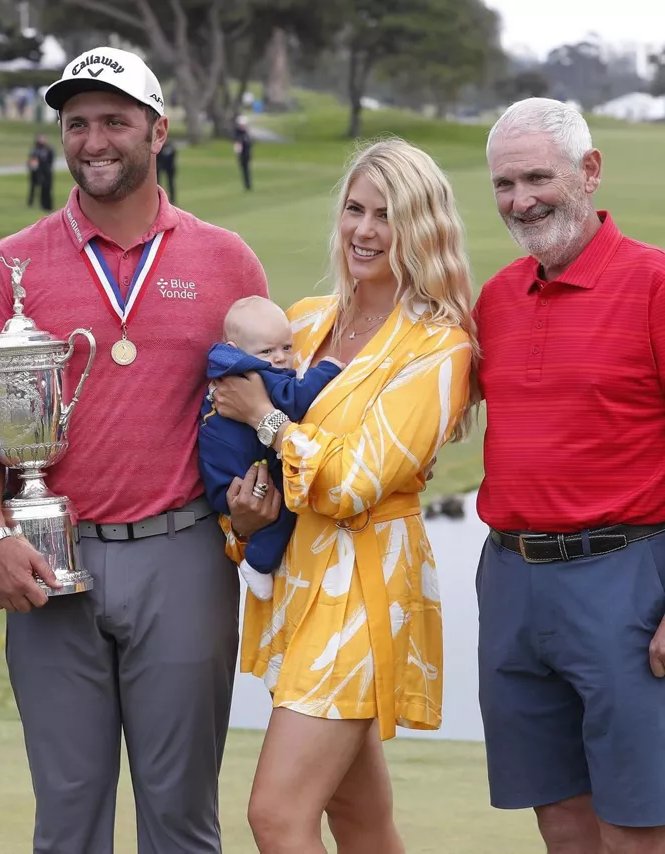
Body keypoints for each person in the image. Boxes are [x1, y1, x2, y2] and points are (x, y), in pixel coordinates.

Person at [0, 46, 269, 854]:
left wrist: (261, 497)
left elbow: (264, 395)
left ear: (157, 132)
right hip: (50, 556)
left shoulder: (225, 258)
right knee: (67, 820)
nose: (93, 140)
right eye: (77, 123)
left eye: (115, 122)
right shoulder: (14, 262)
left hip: (184, 552)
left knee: (182, 819)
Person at [473, 98, 665, 854]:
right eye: (504, 184)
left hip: (626, 580)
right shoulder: (497, 297)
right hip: (512, 581)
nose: (521, 201)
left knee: (632, 826)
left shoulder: (661, 285)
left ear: (589, 171)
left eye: (538, 177)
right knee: (559, 817)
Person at [212, 137, 476, 853]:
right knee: (359, 818)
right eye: (355, 209)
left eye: (386, 215)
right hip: (296, 582)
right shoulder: (300, 323)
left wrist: (266, 418)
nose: (364, 229)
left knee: (277, 814)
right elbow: (238, 443)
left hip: (364, 589)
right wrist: (244, 521)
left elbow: (355, 481)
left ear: (421, 227)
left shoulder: (439, 348)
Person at [198, 296, 343, 600]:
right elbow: (293, 400)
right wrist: (327, 370)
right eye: (267, 351)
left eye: (286, 348)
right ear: (237, 348)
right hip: (243, 479)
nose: (279, 359)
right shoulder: (256, 374)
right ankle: (258, 562)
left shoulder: (225, 368)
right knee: (290, 498)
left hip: (219, 473)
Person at [26, 133, 55, 211]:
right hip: (37, 172)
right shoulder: (35, 149)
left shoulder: (48, 149)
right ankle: (32, 202)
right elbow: (32, 161)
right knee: (34, 187)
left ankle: (47, 205)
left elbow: (51, 160)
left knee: (47, 188)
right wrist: (34, 169)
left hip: (46, 172)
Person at [233, 115, 253, 191]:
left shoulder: (246, 134)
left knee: (247, 170)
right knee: (244, 169)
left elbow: (249, 144)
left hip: (247, 153)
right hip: (242, 154)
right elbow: (237, 146)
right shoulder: (238, 134)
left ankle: (248, 185)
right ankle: (247, 185)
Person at [156, 135, 177, 204]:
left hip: (170, 168)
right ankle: (158, 199)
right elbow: (158, 157)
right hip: (160, 167)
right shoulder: (160, 147)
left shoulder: (171, 147)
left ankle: (172, 200)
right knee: (157, 183)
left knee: (171, 183)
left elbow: (173, 157)